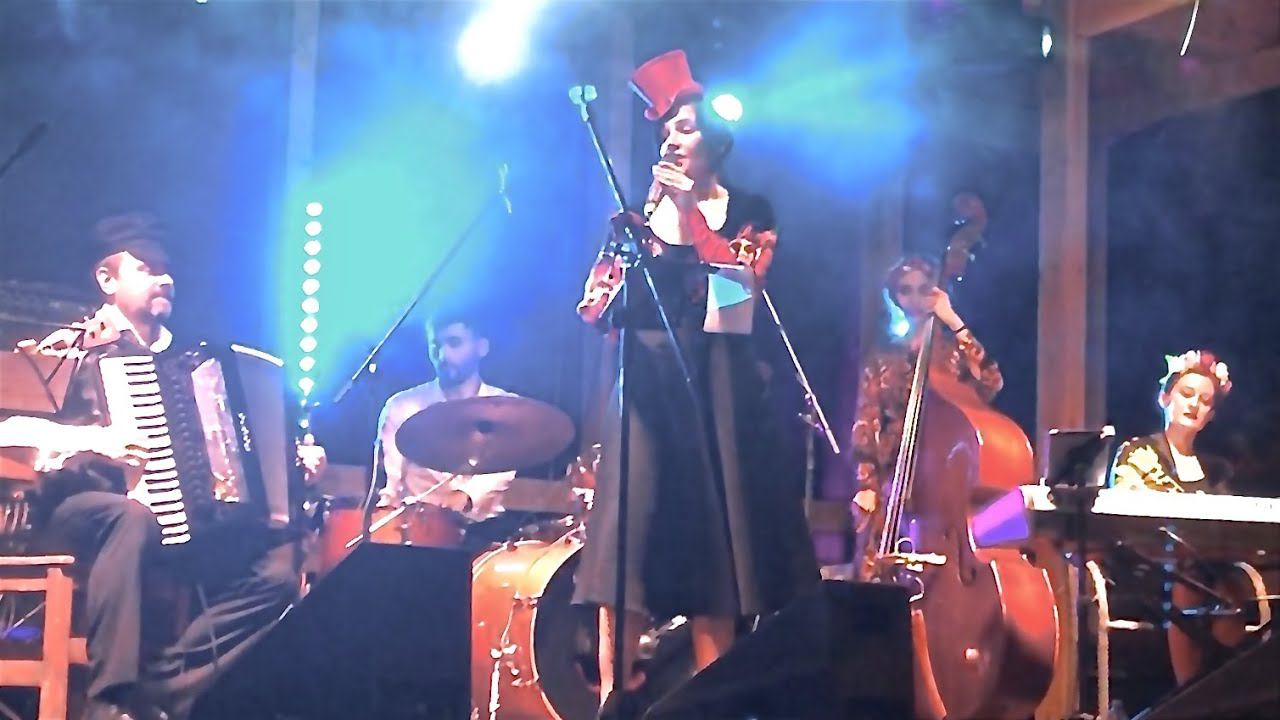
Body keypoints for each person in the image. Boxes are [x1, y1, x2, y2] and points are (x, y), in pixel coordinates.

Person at [571, 49, 817, 713]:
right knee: (624, 551)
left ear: (716, 140)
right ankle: (612, 700)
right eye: (665, 130)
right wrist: (644, 236)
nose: (671, 139)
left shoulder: (749, 211)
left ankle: (716, 703)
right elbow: (594, 310)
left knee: (717, 555)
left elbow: (736, 308)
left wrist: (690, 219)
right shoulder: (635, 218)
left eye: (684, 128)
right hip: (646, 389)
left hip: (717, 387)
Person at [13, 213, 325, 720]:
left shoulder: (195, 360)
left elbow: (238, 448)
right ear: (107, 279)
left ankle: (160, 688)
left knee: (279, 573)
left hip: (177, 528)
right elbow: (11, 429)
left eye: (166, 269)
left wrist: (294, 463)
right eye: (146, 268)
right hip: (80, 514)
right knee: (131, 516)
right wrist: (97, 441)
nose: (164, 278)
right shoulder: (71, 347)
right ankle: (107, 702)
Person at [1107, 349, 1262, 686]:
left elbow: (1228, 525)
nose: (1194, 405)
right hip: (1148, 567)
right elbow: (1127, 517)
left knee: (1235, 585)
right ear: (1165, 398)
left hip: (1208, 568)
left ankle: (1227, 690)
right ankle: (1187, 693)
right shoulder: (1138, 453)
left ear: (1210, 415)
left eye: (1205, 401)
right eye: (1187, 394)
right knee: (1189, 578)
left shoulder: (1216, 469)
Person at [848, 254, 1002, 577]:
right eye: (906, 290)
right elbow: (866, 422)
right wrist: (866, 485)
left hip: (942, 479)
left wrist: (953, 321)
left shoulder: (951, 354)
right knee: (873, 569)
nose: (915, 299)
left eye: (923, 289)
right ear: (895, 297)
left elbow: (991, 383)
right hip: (893, 480)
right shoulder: (883, 356)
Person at [375, 310, 516, 522]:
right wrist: (386, 511)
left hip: (484, 528)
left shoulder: (506, 408)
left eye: (454, 343)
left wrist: (464, 497)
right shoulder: (402, 406)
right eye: (436, 346)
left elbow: (501, 471)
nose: (443, 355)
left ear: (481, 347)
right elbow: (392, 482)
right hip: (416, 527)